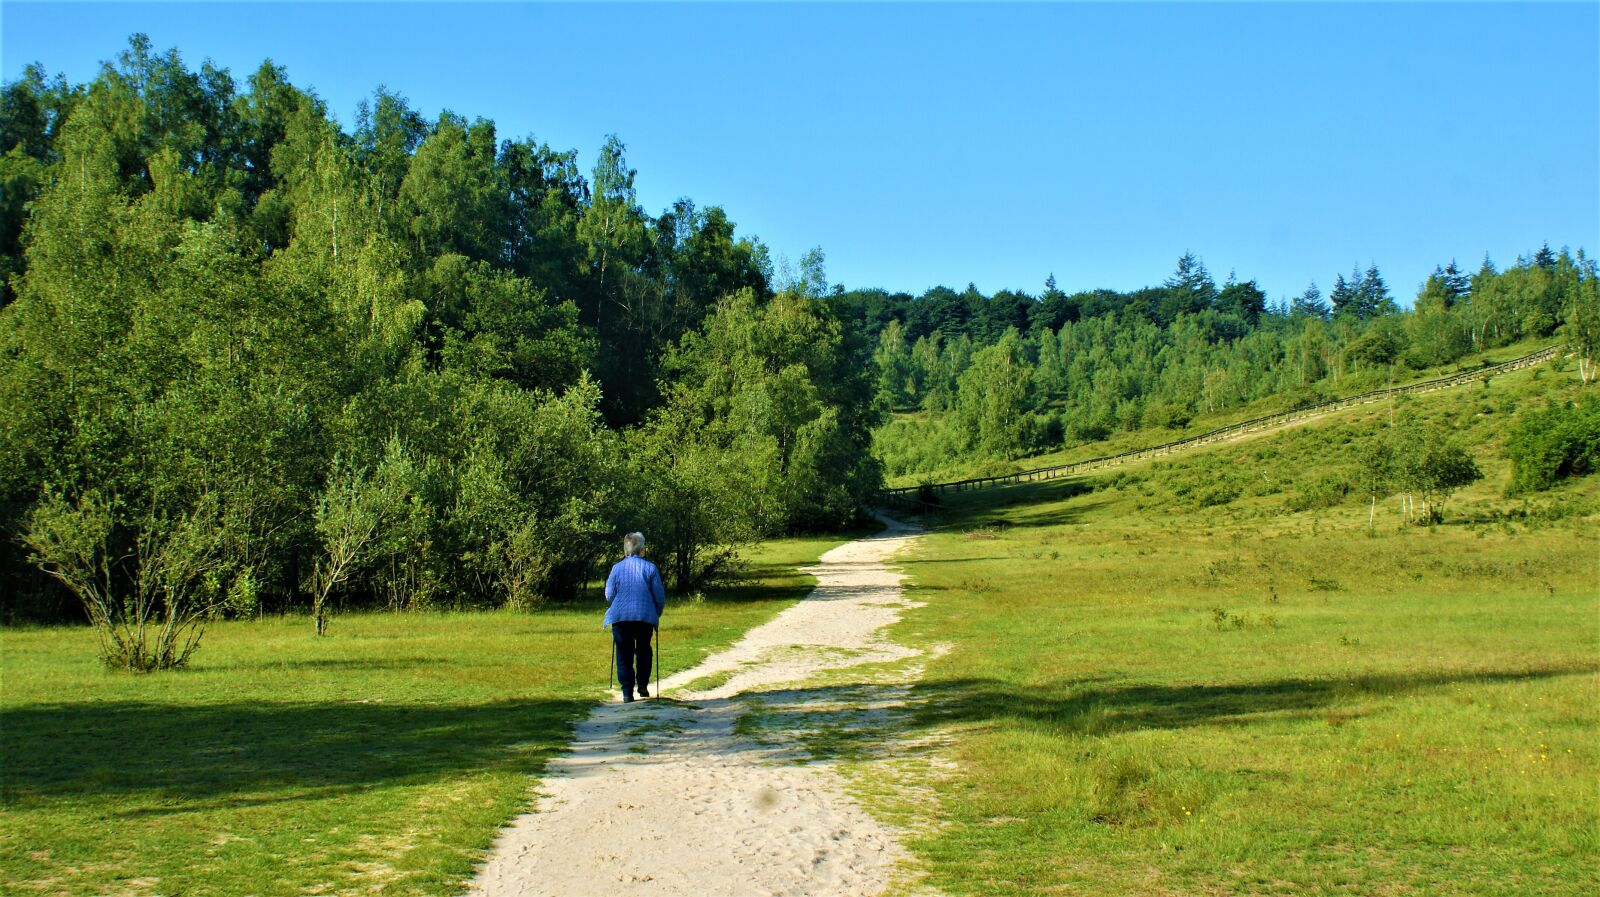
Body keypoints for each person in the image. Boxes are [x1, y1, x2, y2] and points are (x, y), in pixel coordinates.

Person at [603, 531, 665, 702]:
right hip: (644, 617)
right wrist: (656, 614)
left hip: (620, 618)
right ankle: (643, 685)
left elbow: (609, 595)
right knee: (644, 650)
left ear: (626, 549)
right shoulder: (650, 568)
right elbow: (659, 596)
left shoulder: (616, 568)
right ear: (642, 549)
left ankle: (626, 692)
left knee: (624, 654)